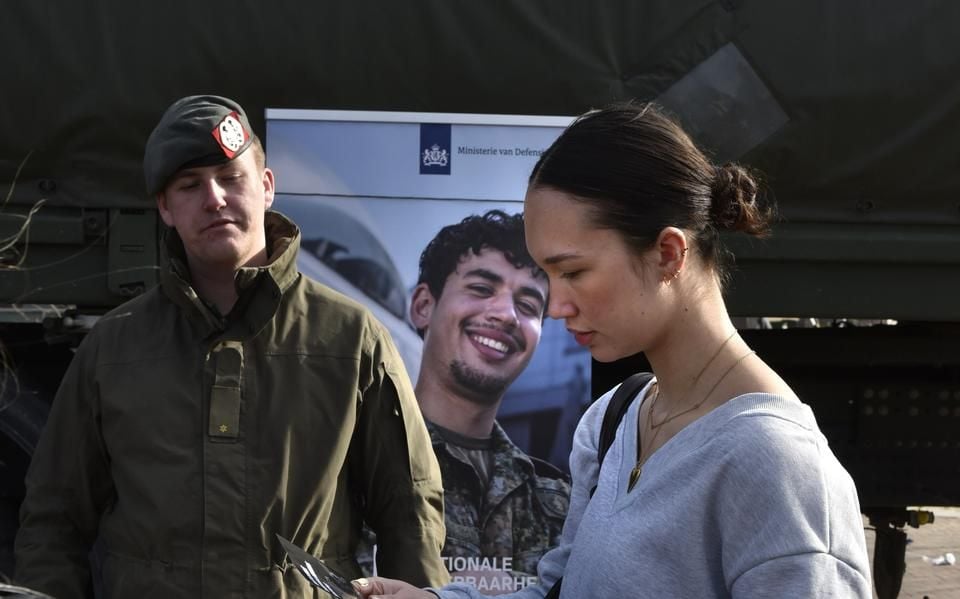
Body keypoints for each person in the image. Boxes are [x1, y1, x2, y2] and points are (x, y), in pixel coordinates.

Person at [350, 102, 873, 598]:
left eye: (573, 272)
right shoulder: (614, 421)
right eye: (547, 275)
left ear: (668, 253)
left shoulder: (779, 465)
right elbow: (560, 589)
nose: (555, 308)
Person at [14, 95, 447, 598]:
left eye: (230, 176)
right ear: (165, 208)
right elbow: (54, 517)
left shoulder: (352, 339)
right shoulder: (113, 347)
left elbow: (409, 510)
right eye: (189, 185)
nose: (214, 198)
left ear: (265, 187)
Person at [362, 211, 570, 590]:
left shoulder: (559, 500)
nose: (506, 314)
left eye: (527, 305)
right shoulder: (355, 463)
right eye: (481, 288)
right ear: (424, 305)